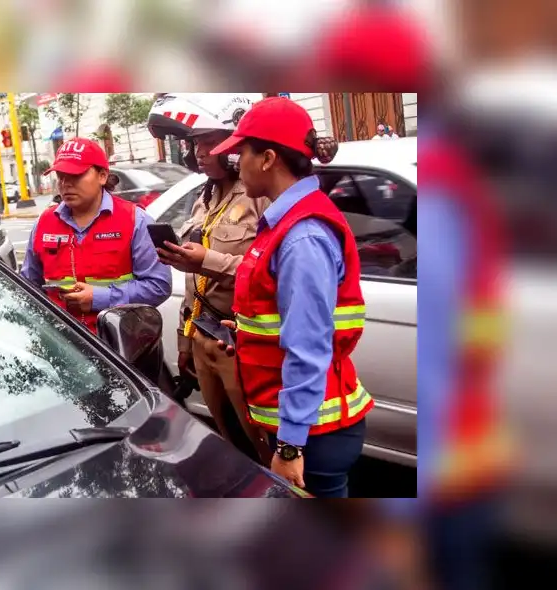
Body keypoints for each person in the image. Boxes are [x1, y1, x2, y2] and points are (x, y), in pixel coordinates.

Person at [209, 97, 372, 497]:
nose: (236, 164)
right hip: (308, 428)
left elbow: (309, 345)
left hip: (314, 435)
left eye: (241, 153)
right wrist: (247, 333)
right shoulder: (287, 223)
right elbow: (285, 316)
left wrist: (289, 446)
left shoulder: (302, 236)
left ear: (267, 159)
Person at [145, 93, 274, 464]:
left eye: (208, 143)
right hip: (203, 338)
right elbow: (193, 283)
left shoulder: (259, 197)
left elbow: (267, 269)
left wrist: (207, 261)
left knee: (263, 448)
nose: (199, 153)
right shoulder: (205, 195)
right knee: (230, 444)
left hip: (240, 343)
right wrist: (185, 341)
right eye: (194, 144)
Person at [20, 137, 172, 333]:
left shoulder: (136, 220)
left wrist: (99, 297)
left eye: (75, 175)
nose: (65, 183)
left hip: (118, 344)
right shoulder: (44, 223)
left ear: (102, 176)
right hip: (62, 342)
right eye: (61, 176)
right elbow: (28, 287)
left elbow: (158, 286)